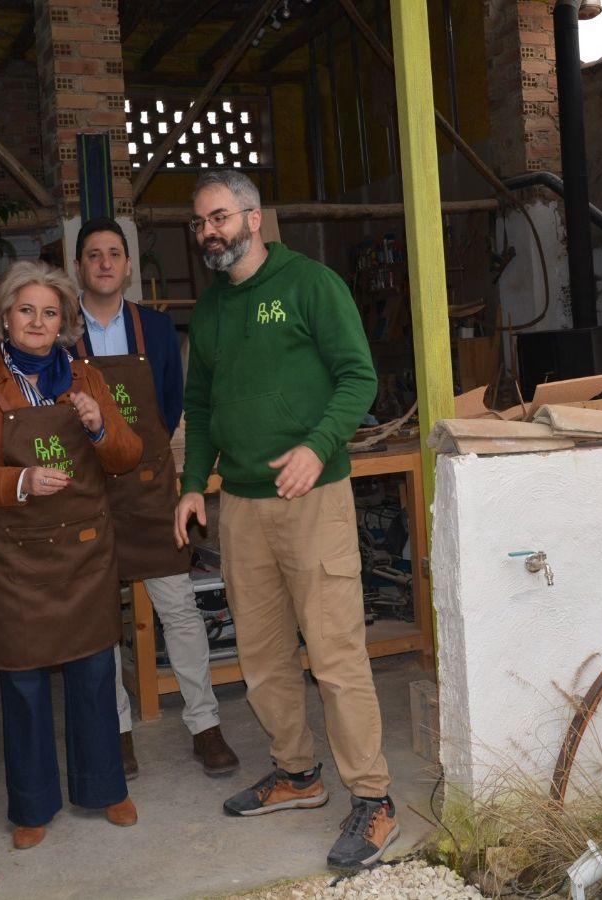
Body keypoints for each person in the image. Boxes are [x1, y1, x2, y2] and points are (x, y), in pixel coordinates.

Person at [172, 172, 398, 872]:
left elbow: (359, 377)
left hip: (312, 498)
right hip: (239, 505)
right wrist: (190, 487)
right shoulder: (208, 312)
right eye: (199, 223)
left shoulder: (311, 285)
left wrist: (315, 444)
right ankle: (297, 773)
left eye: (218, 218)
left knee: (334, 654)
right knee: (264, 657)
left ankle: (374, 796)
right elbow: (202, 406)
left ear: (254, 218)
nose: (209, 231)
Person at [0, 260, 143, 852]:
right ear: (4, 317)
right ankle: (32, 804)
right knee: (24, 685)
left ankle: (103, 787)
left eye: (50, 312)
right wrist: (19, 482)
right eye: (26, 310)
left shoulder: (85, 378)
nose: (38, 321)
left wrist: (96, 429)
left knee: (93, 674)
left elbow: (128, 456)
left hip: (82, 553)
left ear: (65, 321)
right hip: (12, 559)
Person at [73, 218, 240, 779]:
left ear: (127, 266)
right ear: (79, 268)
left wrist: (140, 460)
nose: (103, 263)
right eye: (93, 254)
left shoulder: (156, 330)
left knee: (180, 611)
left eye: (113, 254)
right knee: (98, 621)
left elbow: (169, 406)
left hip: (148, 492)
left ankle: (205, 724)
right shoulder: (61, 331)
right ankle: (115, 732)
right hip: (85, 493)